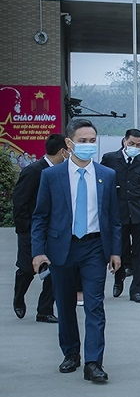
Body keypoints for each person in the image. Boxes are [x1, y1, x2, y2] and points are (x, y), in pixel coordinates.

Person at [31, 119, 122, 383]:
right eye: (82, 141)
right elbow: (40, 216)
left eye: (92, 140)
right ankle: (71, 352)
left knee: (94, 305)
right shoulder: (52, 176)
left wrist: (116, 251)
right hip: (62, 247)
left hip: (94, 246)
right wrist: (38, 251)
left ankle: (93, 362)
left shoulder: (106, 175)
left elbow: (114, 218)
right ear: (69, 143)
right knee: (65, 303)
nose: (88, 145)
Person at [13, 133, 68, 322]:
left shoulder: (62, 172)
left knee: (55, 270)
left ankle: (44, 310)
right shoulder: (34, 171)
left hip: (55, 231)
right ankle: (19, 297)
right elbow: (20, 202)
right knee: (27, 269)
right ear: (62, 151)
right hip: (32, 230)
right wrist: (24, 230)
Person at [100, 128, 140, 303]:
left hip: (139, 214)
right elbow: (102, 184)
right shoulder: (110, 159)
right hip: (118, 213)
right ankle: (119, 278)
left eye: (138, 145)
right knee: (120, 250)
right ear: (124, 141)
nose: (134, 147)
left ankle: (137, 290)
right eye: (131, 143)